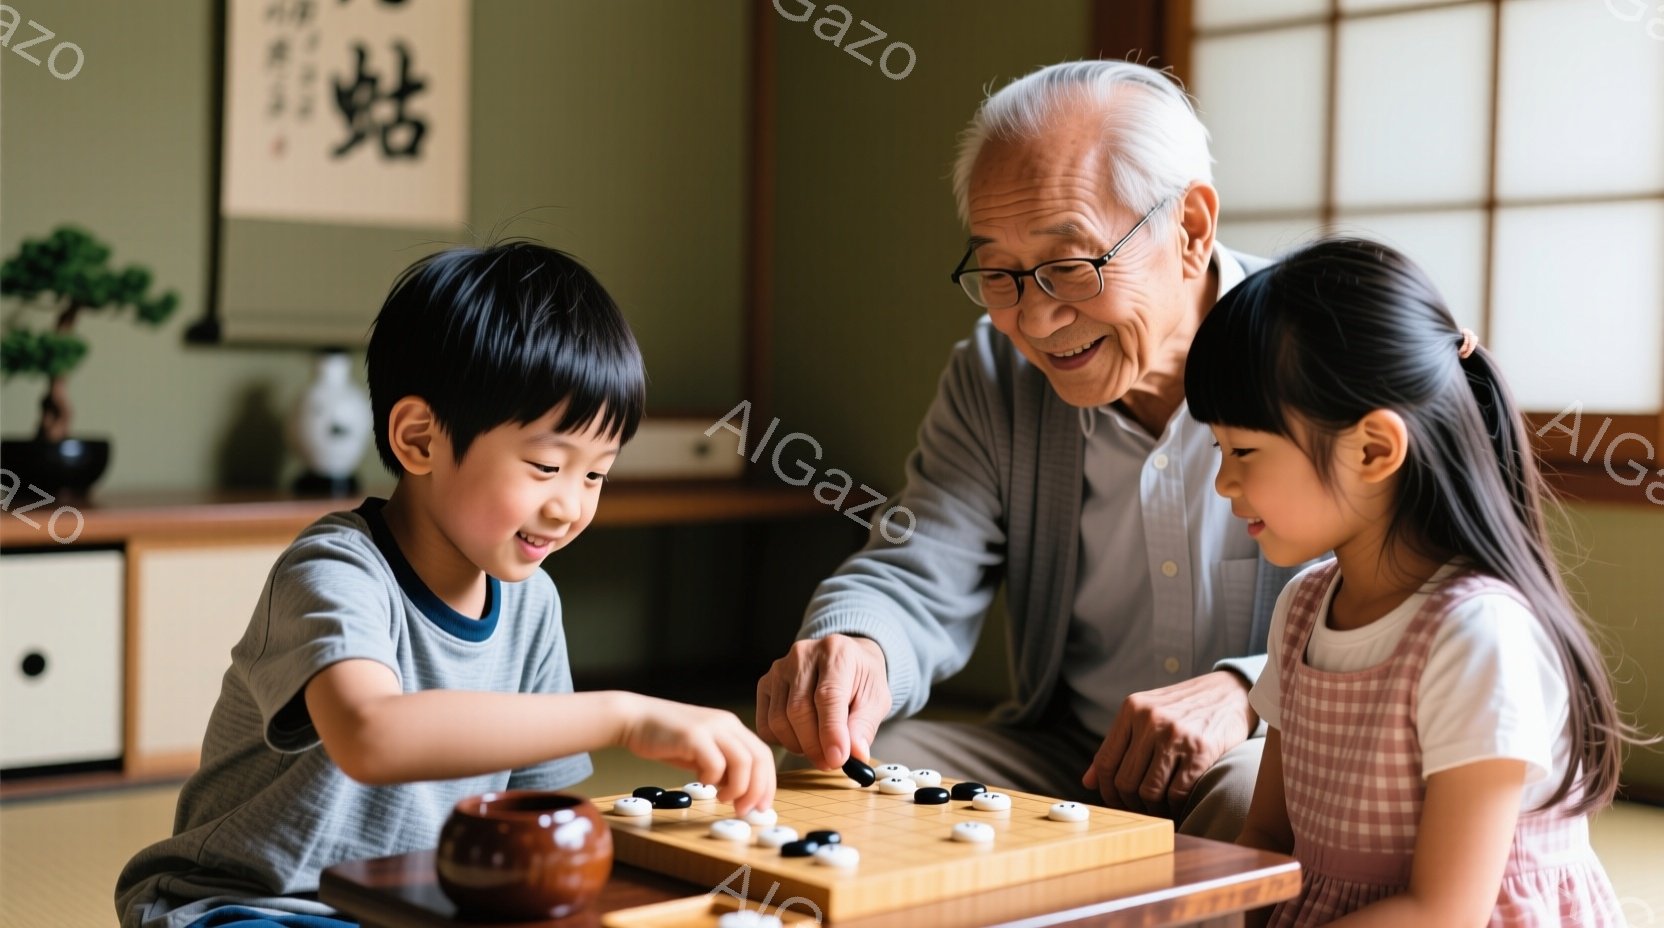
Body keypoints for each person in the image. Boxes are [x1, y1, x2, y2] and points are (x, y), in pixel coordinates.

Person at [116, 242, 776, 928]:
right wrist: (627, 716)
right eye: (547, 466)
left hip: (412, 909)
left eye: (596, 475)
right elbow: (371, 736)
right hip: (252, 905)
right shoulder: (334, 572)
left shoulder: (531, 601)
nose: (570, 506)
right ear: (420, 440)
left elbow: (536, 812)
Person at [754, 59, 1306, 841]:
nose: (1035, 321)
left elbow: (1399, 594)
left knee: (1255, 799)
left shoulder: (1317, 355)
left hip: (1266, 741)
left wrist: (1249, 693)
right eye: (1000, 273)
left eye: (1070, 267)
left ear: (1189, 230)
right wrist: (859, 647)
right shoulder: (994, 372)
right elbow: (919, 567)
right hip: (1071, 759)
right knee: (854, 775)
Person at [1188, 238, 1632, 926]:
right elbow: (1269, 839)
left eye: (1243, 450)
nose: (1224, 481)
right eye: (1218, 448)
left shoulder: (1476, 635)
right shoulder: (1304, 608)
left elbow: (1443, 909)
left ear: (1373, 448)